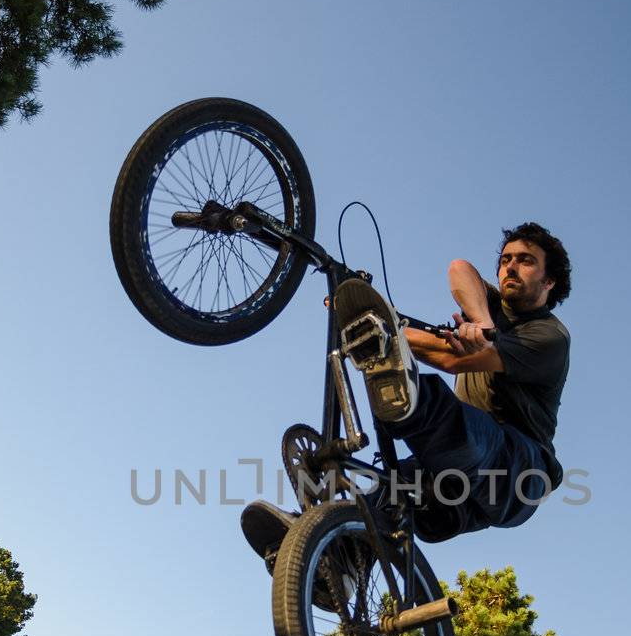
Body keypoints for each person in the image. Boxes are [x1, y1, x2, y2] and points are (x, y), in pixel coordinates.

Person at [241, 221, 571, 562]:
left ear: (549, 282)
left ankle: (410, 403)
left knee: (442, 411)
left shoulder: (549, 336)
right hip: (454, 489)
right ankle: (337, 559)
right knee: (388, 496)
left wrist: (381, 330)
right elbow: (460, 269)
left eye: (526, 261)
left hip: (518, 473)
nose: (511, 267)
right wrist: (483, 320)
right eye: (506, 260)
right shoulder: (493, 308)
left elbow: (451, 360)